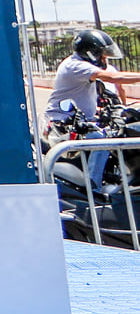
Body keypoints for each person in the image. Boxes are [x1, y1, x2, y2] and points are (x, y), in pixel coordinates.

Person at [47, 29, 140, 192]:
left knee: (114, 130)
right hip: (62, 123)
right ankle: (93, 187)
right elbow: (112, 78)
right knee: (101, 139)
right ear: (90, 53)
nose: (105, 60)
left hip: (78, 120)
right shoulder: (75, 65)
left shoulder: (80, 65)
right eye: (103, 56)